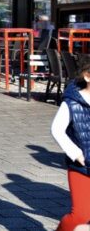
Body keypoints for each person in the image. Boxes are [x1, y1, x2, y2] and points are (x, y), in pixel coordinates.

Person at [51, 62, 90, 230]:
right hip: (81, 166)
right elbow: (57, 129)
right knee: (80, 216)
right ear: (87, 77)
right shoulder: (72, 102)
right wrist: (76, 153)